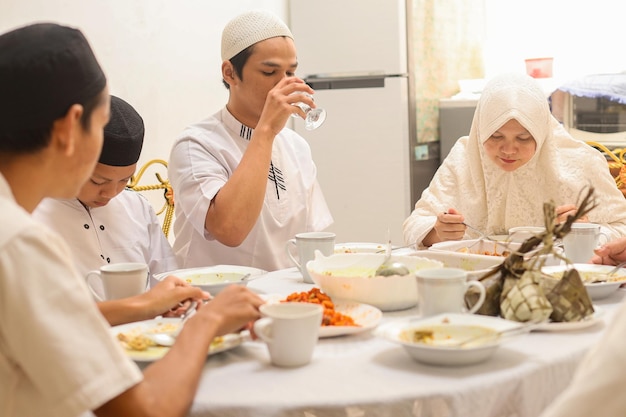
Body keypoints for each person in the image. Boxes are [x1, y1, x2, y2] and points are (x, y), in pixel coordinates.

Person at [0, 22, 263, 416]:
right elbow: (143, 411)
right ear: (71, 127)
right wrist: (207, 323)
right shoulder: (19, 242)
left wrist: (145, 305)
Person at [168, 10, 333, 271]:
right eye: (270, 72)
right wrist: (265, 131)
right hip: (215, 303)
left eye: (291, 72)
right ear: (230, 73)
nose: (285, 85)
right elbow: (230, 230)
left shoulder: (296, 145)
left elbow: (313, 240)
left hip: (288, 301)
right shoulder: (195, 144)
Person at [403, 72, 626, 248]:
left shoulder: (581, 162)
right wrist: (436, 232)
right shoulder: (464, 155)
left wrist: (585, 230)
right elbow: (414, 224)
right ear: (480, 130)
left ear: (541, 132)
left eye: (523, 138)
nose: (508, 149)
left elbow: (621, 227)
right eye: (496, 136)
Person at [32, 95, 186, 325]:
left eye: (125, 180)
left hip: (149, 338)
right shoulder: (32, 213)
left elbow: (166, 276)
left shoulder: (137, 207)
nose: (111, 193)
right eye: (97, 181)